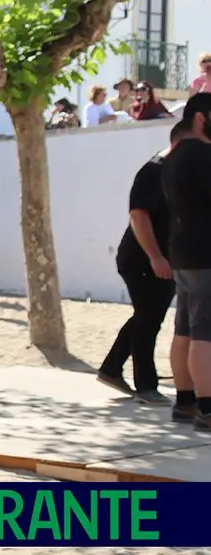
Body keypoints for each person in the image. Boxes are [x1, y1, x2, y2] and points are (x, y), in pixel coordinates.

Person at [98, 121, 191, 404]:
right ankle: (146, 385)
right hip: (142, 259)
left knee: (147, 316)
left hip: (162, 259)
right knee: (149, 317)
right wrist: (156, 257)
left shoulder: (176, 173)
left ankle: (111, 368)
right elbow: (139, 215)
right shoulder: (155, 170)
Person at [160, 92, 211, 430]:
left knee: (185, 330)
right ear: (201, 117)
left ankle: (185, 403)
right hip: (206, 253)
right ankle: (208, 411)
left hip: (182, 252)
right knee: (205, 333)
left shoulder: (172, 159)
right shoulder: (204, 156)